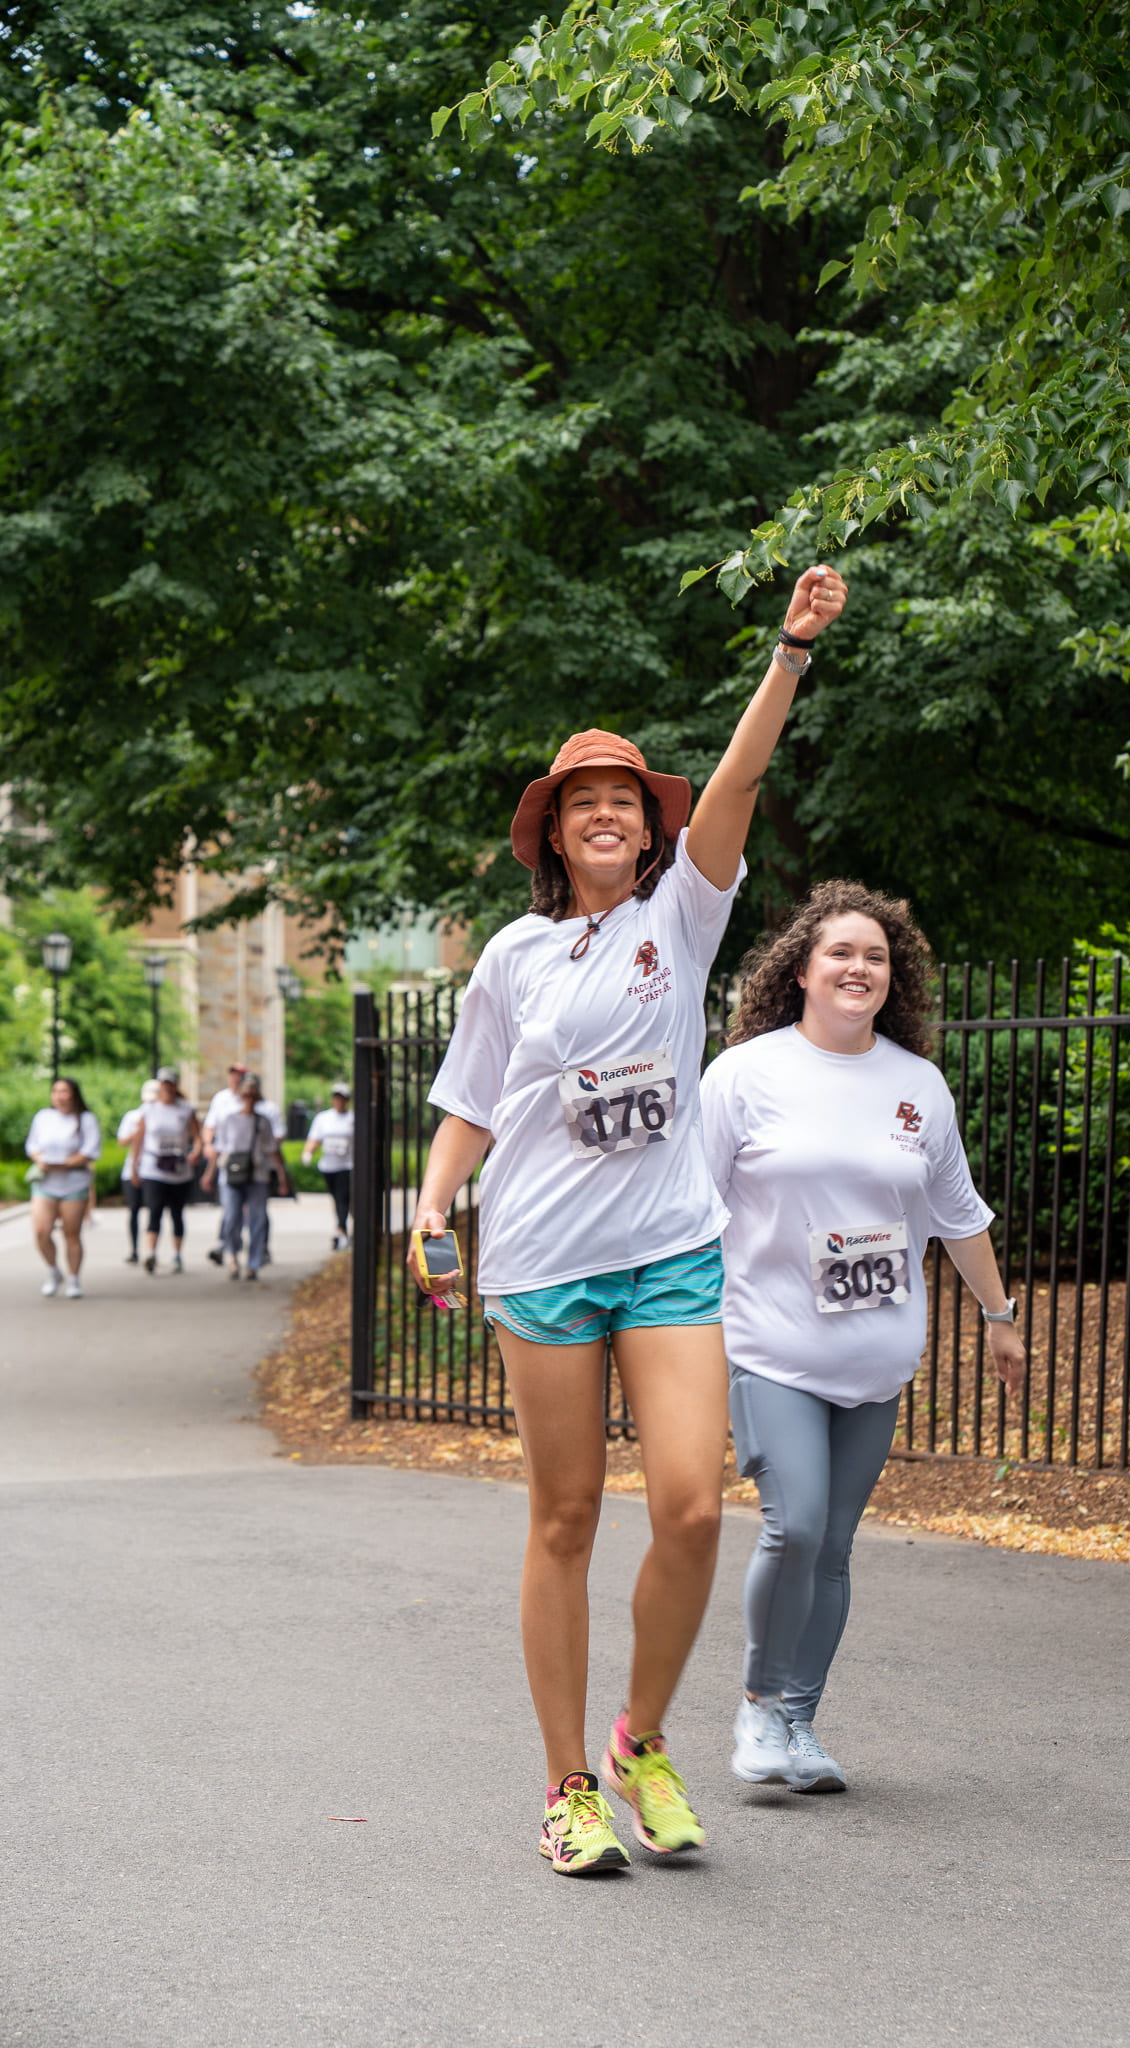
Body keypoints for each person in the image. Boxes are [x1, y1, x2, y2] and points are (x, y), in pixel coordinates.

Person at [410, 563, 848, 1876]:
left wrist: (787, 656)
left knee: (694, 1506)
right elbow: (469, 1108)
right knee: (561, 1521)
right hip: (539, 1261)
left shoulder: (682, 915)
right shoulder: (510, 958)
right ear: (552, 836)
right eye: (581, 804)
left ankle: (639, 1742)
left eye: (623, 803)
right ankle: (563, 1789)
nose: (606, 816)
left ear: (647, 836)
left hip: (666, 1250)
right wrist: (433, 1205)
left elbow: (732, 792)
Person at [700, 881, 1027, 1794]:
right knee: (794, 1525)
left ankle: (799, 1723)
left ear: (895, 979)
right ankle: (761, 1704)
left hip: (878, 1356)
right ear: (800, 969)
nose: (858, 968)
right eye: (840, 953)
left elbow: (956, 1213)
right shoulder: (744, 1075)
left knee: (835, 1545)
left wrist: (998, 1320)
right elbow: (691, 1210)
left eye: (876, 957)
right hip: (770, 1346)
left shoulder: (914, 1085)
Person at [203, 1073, 289, 1281]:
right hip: (231, 1176)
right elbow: (219, 1150)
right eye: (246, 1094)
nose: (249, 1098)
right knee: (232, 1217)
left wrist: (283, 1177)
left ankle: (254, 1263)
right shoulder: (228, 1119)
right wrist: (209, 1174)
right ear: (240, 1095)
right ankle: (232, 1255)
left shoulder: (264, 1121)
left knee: (258, 1220)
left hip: (257, 1175)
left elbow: (273, 1150)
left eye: (253, 1094)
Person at [26, 1077, 102, 1300]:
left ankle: (74, 1278)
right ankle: (53, 1271)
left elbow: (90, 1151)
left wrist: (63, 1164)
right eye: (55, 1091)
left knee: (71, 1233)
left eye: (64, 1091)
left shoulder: (86, 1119)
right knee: (41, 1231)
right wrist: (41, 1160)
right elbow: (32, 1145)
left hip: (73, 1183)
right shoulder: (43, 1117)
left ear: (74, 1094)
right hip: (46, 1183)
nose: (59, 1096)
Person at [130, 1067, 203, 1275]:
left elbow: (196, 1136)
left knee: (177, 1213)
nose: (167, 1087)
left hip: (179, 1166)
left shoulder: (185, 1109)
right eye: (164, 1083)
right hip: (154, 1166)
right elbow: (139, 1139)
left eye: (170, 1083)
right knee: (154, 1210)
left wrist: (196, 1152)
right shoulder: (148, 1109)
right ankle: (151, 1253)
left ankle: (177, 1254)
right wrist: (134, 1166)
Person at [302, 1084, 354, 1249]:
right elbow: (315, 1138)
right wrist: (308, 1153)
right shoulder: (323, 1118)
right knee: (338, 1198)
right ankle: (343, 1227)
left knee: (342, 1197)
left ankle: (341, 1230)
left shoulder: (352, 1118)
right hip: (329, 1166)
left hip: (346, 1165)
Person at [116, 1080, 160, 1264]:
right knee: (133, 1209)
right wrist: (140, 1132)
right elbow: (122, 1141)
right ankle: (134, 1249)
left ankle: (151, 1250)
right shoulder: (133, 1116)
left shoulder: (162, 1117)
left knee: (154, 1210)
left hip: (154, 1170)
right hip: (132, 1169)